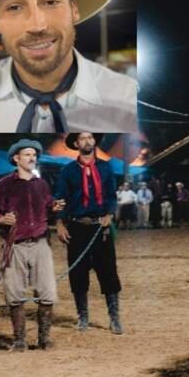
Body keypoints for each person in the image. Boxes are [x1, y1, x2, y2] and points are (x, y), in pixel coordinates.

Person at [0, 0, 137, 132]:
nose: (36, 26)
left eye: (51, 2)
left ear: (74, 9)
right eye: (14, 7)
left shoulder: (129, 100)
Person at [0, 139, 65, 350]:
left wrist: (54, 207)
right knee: (14, 293)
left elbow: (48, 206)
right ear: (16, 158)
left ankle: (44, 339)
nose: (32, 158)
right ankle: (19, 340)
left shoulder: (41, 184)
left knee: (47, 292)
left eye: (34, 155)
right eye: (27, 154)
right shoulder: (5, 184)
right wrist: (2, 220)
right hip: (15, 245)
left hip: (40, 243)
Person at [54, 132, 122, 333]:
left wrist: (109, 214)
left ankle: (115, 318)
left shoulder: (105, 167)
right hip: (76, 227)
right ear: (76, 143)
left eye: (91, 137)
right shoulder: (67, 171)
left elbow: (111, 195)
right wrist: (59, 223)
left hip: (100, 227)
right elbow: (60, 199)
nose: (87, 141)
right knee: (78, 273)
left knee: (108, 272)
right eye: (83, 138)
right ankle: (83, 317)